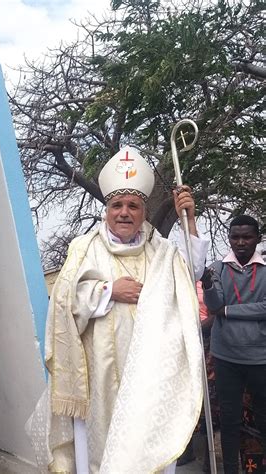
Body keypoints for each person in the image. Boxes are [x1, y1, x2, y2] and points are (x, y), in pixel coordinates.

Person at [27, 146, 209, 473]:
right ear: (107, 209)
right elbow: (65, 300)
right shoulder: (85, 249)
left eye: (133, 206)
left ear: (143, 212)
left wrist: (189, 221)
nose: (124, 212)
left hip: (148, 377)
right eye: (117, 205)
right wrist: (110, 290)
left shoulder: (161, 251)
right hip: (98, 377)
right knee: (99, 453)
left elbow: (190, 274)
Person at [202, 215, 265, 474]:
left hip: (260, 357)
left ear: (258, 239)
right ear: (229, 238)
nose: (240, 242)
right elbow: (214, 306)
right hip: (226, 356)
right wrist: (207, 285)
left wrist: (228, 311)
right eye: (235, 237)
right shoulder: (217, 268)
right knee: (229, 420)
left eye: (247, 237)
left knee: (263, 419)